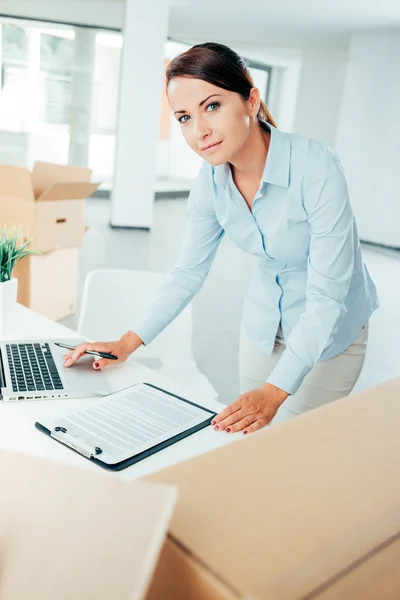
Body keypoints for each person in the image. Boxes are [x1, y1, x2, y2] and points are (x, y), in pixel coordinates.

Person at [63, 42, 379, 434]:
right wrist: (127, 343)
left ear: (250, 100)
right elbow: (187, 275)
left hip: (333, 332)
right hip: (265, 323)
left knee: (300, 444)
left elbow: (327, 300)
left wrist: (275, 390)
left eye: (212, 106)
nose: (199, 132)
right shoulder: (211, 183)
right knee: (253, 439)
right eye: (183, 117)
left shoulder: (316, 168)